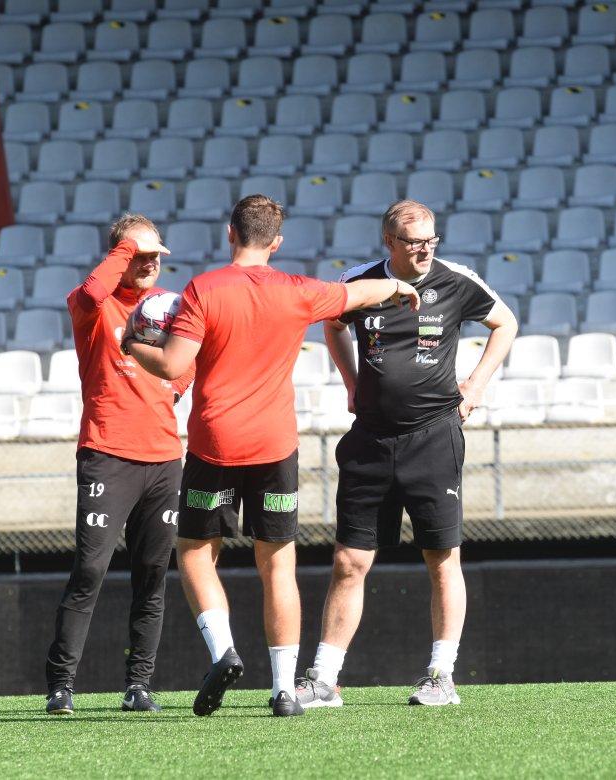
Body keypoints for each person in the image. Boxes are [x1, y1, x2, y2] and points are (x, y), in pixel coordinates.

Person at [125, 194, 421, 717]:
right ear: (277, 242)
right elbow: (355, 293)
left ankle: (224, 652)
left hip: (216, 443)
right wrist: (398, 286)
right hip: (275, 446)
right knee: (278, 564)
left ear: (230, 233)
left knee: (194, 552)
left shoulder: (204, 289)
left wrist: (131, 344)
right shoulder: (297, 291)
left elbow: (171, 366)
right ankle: (285, 689)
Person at [295, 200, 517, 708]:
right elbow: (332, 324)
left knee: (442, 558)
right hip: (370, 439)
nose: (425, 249)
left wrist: (476, 386)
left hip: (434, 437)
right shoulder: (360, 282)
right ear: (389, 242)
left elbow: (505, 323)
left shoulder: (456, 280)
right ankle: (324, 679)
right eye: (415, 241)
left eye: (431, 240)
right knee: (349, 561)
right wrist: (350, 381)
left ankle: (441, 676)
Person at [43, 214, 194, 715]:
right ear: (120, 256)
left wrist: (172, 388)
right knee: (90, 570)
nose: (150, 263)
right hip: (107, 454)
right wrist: (126, 250)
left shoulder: (170, 306)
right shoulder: (93, 303)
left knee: (152, 575)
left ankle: (138, 685)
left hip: (164, 458)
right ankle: (61, 685)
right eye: (139, 255)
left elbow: (191, 357)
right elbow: (91, 292)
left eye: (156, 255)